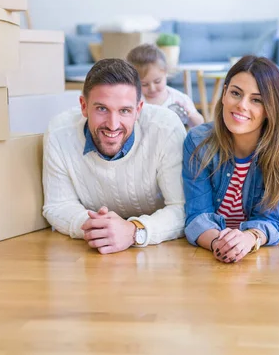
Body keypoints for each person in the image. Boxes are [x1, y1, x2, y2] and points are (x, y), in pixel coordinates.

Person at [42, 58, 187, 254]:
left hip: (160, 253)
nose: (113, 124)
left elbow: (181, 208)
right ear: (84, 106)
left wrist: (133, 231)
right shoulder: (59, 132)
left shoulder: (165, 128)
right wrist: (100, 230)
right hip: (90, 252)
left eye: (124, 111)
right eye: (102, 109)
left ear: (138, 110)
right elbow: (58, 205)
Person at [182, 55, 279, 263]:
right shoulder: (197, 142)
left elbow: (269, 220)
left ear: (270, 109)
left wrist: (249, 239)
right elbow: (197, 215)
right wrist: (219, 244)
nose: (242, 105)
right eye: (235, 93)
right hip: (222, 238)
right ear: (224, 94)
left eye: (256, 100)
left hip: (277, 219)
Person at [126, 44, 204, 127]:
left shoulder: (179, 98)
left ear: (166, 72)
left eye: (157, 81)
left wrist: (190, 115)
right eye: (144, 84)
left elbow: (199, 125)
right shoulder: (133, 100)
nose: (152, 88)